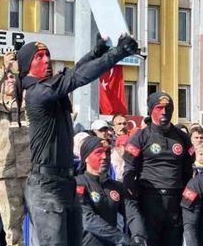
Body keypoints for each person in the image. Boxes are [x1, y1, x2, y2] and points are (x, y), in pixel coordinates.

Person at [21, 34, 140, 246]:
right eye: (39, 57)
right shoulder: (37, 92)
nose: (47, 60)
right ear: (27, 66)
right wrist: (119, 53)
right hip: (46, 187)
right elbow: (77, 78)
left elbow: (74, 72)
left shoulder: (50, 87)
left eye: (47, 54)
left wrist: (98, 51)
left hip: (66, 182)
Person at [123, 92, 195, 246]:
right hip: (149, 199)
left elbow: (188, 170)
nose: (164, 112)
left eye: (168, 108)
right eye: (159, 108)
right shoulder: (140, 137)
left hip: (175, 200)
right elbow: (129, 170)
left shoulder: (183, 137)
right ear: (151, 110)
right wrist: (132, 197)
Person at [0, 51, 31, 246]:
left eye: (14, 77)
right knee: (12, 230)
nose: (11, 80)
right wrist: (4, 70)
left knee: (41, 223)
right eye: (8, 78)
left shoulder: (29, 102)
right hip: (5, 173)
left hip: (31, 171)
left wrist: (22, 73)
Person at [75, 136, 147, 246]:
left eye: (107, 152)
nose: (105, 157)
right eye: (99, 152)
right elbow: (87, 220)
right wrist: (123, 239)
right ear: (86, 157)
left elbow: (132, 213)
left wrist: (138, 236)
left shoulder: (117, 186)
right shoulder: (78, 184)